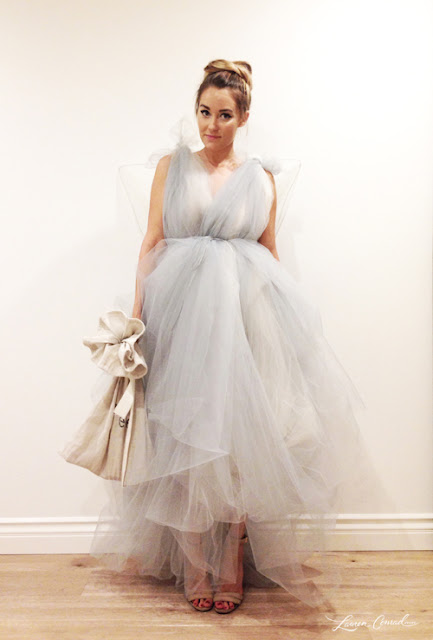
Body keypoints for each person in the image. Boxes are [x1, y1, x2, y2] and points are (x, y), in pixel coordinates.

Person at [89, 58, 374, 614]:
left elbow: (268, 250)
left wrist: (283, 327)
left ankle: (231, 563)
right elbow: (151, 242)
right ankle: (196, 562)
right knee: (182, 438)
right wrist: (137, 320)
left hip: (246, 323)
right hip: (180, 321)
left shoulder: (261, 178)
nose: (211, 125)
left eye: (223, 115)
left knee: (242, 442)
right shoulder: (173, 167)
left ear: (244, 117)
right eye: (203, 112)